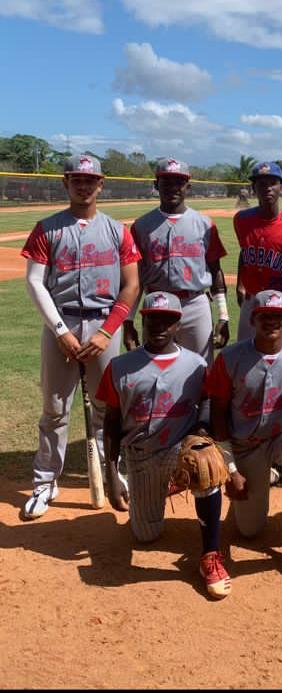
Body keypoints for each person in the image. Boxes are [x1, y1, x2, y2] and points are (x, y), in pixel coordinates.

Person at [21, 154, 141, 520]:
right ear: (66, 183)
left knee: (107, 409)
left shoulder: (118, 231)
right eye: (77, 179)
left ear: (100, 184)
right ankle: (46, 481)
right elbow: (35, 282)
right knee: (55, 409)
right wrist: (59, 331)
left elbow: (131, 285)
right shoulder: (47, 229)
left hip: (104, 326)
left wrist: (107, 332)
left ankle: (110, 474)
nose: (83, 185)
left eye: (90, 180)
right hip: (61, 323)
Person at [96, 291, 231, 599]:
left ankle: (210, 555)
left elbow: (207, 402)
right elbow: (111, 423)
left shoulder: (196, 364)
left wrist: (200, 434)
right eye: (153, 319)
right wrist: (111, 476)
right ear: (142, 322)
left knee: (205, 464)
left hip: (178, 449)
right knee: (146, 535)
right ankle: (167, 485)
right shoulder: (120, 366)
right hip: (140, 455)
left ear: (178, 324)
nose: (159, 326)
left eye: (167, 320)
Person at [207, 290, 282, 587]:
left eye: (279, 316)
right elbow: (218, 415)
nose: (271, 321)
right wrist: (231, 470)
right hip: (245, 445)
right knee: (249, 531)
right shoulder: (230, 358)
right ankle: (261, 477)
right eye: (265, 315)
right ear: (252, 319)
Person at [123, 158, 229, 363]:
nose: (173, 188)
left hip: (195, 304)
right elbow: (135, 279)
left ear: (188, 186)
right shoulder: (141, 226)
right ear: (156, 185)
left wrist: (223, 315)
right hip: (156, 306)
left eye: (179, 182)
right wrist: (128, 321)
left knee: (201, 368)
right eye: (166, 182)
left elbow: (216, 270)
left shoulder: (205, 224)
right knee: (154, 365)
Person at [233, 161, 282, 343]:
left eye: (273, 183)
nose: (267, 188)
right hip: (251, 302)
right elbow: (245, 253)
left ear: (281, 188)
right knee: (246, 352)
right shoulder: (241, 220)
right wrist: (239, 284)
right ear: (253, 188)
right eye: (261, 183)